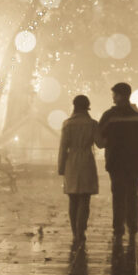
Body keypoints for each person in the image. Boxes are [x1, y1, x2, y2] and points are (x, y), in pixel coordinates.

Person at [95, 82, 138, 242]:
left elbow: (98, 136)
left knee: (118, 194)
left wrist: (107, 142)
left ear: (121, 96)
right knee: (132, 194)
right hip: (135, 162)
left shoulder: (110, 116)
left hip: (116, 161)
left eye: (115, 95)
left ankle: (118, 227)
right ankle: (132, 226)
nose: (113, 98)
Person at [58, 94, 99, 247]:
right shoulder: (92, 124)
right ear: (87, 106)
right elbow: (101, 143)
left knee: (73, 199)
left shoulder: (67, 124)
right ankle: (81, 231)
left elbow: (63, 148)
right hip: (87, 161)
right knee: (84, 199)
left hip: (71, 163)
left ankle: (75, 232)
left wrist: (61, 167)